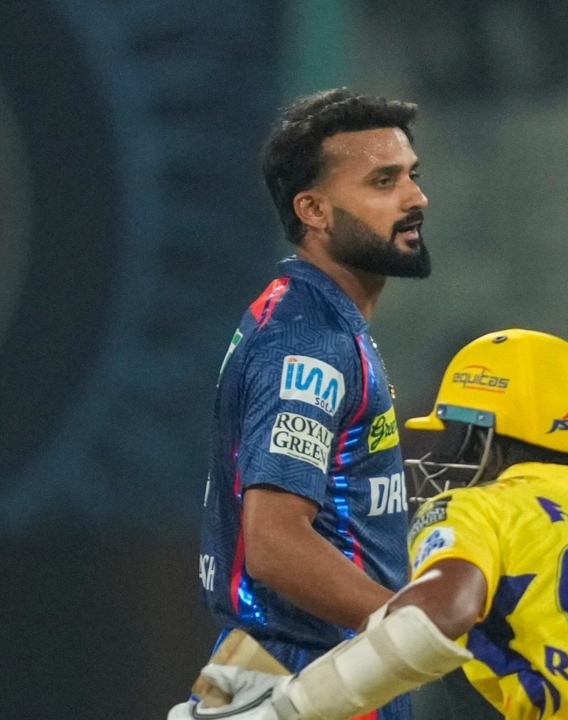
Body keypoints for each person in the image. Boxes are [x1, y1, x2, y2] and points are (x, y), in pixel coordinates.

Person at [171, 329, 568, 720]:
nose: (444, 456)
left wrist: (290, 708)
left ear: (488, 439)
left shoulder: (482, 507)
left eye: (457, 435)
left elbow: (439, 614)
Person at [188, 89, 431, 720]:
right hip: (314, 676)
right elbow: (274, 542)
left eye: (412, 175)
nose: (415, 198)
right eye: (384, 182)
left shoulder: (315, 319)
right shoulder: (309, 342)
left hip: (286, 666)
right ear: (314, 209)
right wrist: (413, 629)